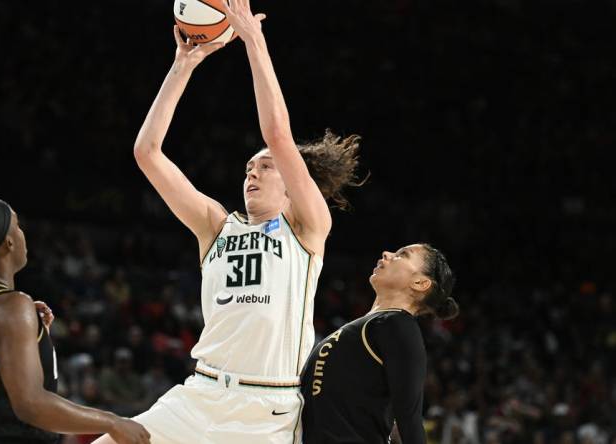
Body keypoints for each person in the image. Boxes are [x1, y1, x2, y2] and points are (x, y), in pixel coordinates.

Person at [96, 1, 363, 442]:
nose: (252, 173)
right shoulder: (216, 226)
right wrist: (183, 65)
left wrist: (254, 41)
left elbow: (277, 134)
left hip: (267, 409)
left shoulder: (308, 228)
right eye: (247, 170)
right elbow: (147, 153)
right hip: (199, 395)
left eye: (266, 167)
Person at [0, 195, 150, 444]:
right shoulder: (11, 308)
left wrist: (29, 332)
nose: (23, 233)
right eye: (18, 226)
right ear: (8, 242)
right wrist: (112, 421)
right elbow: (30, 404)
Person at [300, 244, 458, 444]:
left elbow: (410, 420)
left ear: (420, 282)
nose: (387, 253)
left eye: (402, 255)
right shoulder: (371, 325)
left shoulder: (399, 324)